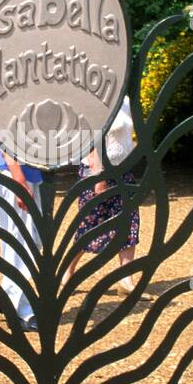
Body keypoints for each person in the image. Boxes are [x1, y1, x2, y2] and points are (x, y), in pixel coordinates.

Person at [66, 95, 143, 294]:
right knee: (88, 225)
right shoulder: (94, 99)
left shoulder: (126, 100)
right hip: (98, 172)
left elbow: (128, 136)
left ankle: (126, 280)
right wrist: (98, 176)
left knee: (129, 221)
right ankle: (67, 273)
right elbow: (90, 142)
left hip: (122, 172)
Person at [0, 122, 43, 332]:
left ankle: (7, 294)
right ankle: (20, 311)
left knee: (30, 239)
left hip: (25, 171)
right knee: (22, 240)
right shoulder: (5, 89)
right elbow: (3, 131)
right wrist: (18, 179)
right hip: (14, 172)